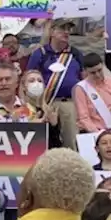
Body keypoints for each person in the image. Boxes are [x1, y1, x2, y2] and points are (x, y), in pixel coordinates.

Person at [25, 19, 84, 147]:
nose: (66, 32)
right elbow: (28, 78)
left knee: (71, 141)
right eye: (62, 29)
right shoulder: (40, 53)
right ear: (51, 31)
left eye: (68, 29)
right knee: (45, 141)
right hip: (46, 102)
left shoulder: (75, 53)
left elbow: (84, 79)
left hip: (69, 103)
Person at [72, 52, 111, 133]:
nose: (98, 75)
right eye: (93, 73)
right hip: (93, 132)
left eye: (99, 70)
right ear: (85, 71)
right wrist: (99, 134)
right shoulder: (81, 88)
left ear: (102, 66)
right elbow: (84, 117)